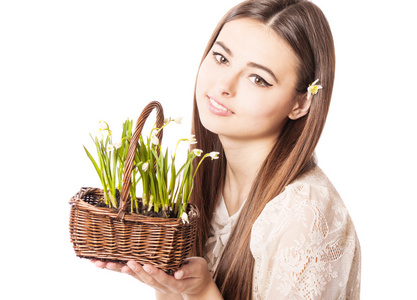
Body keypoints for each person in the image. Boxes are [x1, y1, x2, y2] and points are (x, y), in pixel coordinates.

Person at [93, 0, 361, 299]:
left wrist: (202, 292)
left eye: (258, 79)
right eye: (221, 58)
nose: (224, 85)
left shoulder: (305, 214)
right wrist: (166, 284)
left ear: (301, 104)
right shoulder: (205, 183)